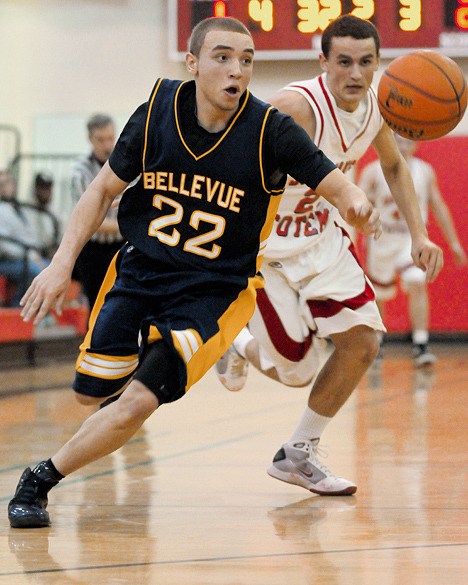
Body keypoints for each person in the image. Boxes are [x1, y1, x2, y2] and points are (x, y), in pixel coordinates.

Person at [7, 16, 382, 529]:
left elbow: (336, 183)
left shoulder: (271, 130)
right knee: (88, 393)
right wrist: (60, 264)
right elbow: (100, 191)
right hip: (139, 273)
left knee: (139, 401)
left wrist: (357, 202)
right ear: (193, 64)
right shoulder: (157, 110)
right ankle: (154, 373)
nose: (238, 70)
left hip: (213, 291)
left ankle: (39, 479)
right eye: (224, 57)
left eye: (247, 60)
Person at [215, 15, 443, 496]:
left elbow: (395, 165)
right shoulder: (295, 107)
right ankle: (235, 345)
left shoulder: (378, 106)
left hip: (323, 239)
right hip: (265, 250)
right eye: (343, 62)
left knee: (363, 341)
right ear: (323, 62)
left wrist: (420, 235)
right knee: (297, 370)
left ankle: (298, 453)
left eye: (366, 63)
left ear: (378, 64)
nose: (355, 75)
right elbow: (231, 168)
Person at [359, 133, 466, 366]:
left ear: (416, 144)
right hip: (381, 240)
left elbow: (438, 207)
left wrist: (454, 243)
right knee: (379, 295)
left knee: (418, 282)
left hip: (411, 239)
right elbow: (357, 198)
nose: (403, 145)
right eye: (397, 140)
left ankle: (421, 344)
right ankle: (378, 344)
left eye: (407, 141)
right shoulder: (373, 171)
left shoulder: (424, 172)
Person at [71, 113, 123, 308]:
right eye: (100, 140)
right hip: (93, 249)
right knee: (96, 308)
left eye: (110, 138)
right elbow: (90, 220)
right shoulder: (81, 172)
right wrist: (127, 225)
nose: (107, 145)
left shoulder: (128, 165)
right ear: (90, 139)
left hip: (121, 246)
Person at [0, 170, 49, 306]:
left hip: (28, 256)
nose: (6, 187)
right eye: (1, 184)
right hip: (8, 260)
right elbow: (4, 245)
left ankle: (41, 311)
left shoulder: (19, 208)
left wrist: (35, 254)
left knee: (51, 268)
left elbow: (29, 236)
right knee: (35, 271)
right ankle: (18, 307)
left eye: (8, 183)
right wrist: (30, 256)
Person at [23, 172, 61, 259]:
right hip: (32, 255)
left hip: (52, 254)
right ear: (35, 189)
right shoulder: (26, 210)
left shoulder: (56, 213)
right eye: (42, 188)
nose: (45, 192)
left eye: (48, 188)